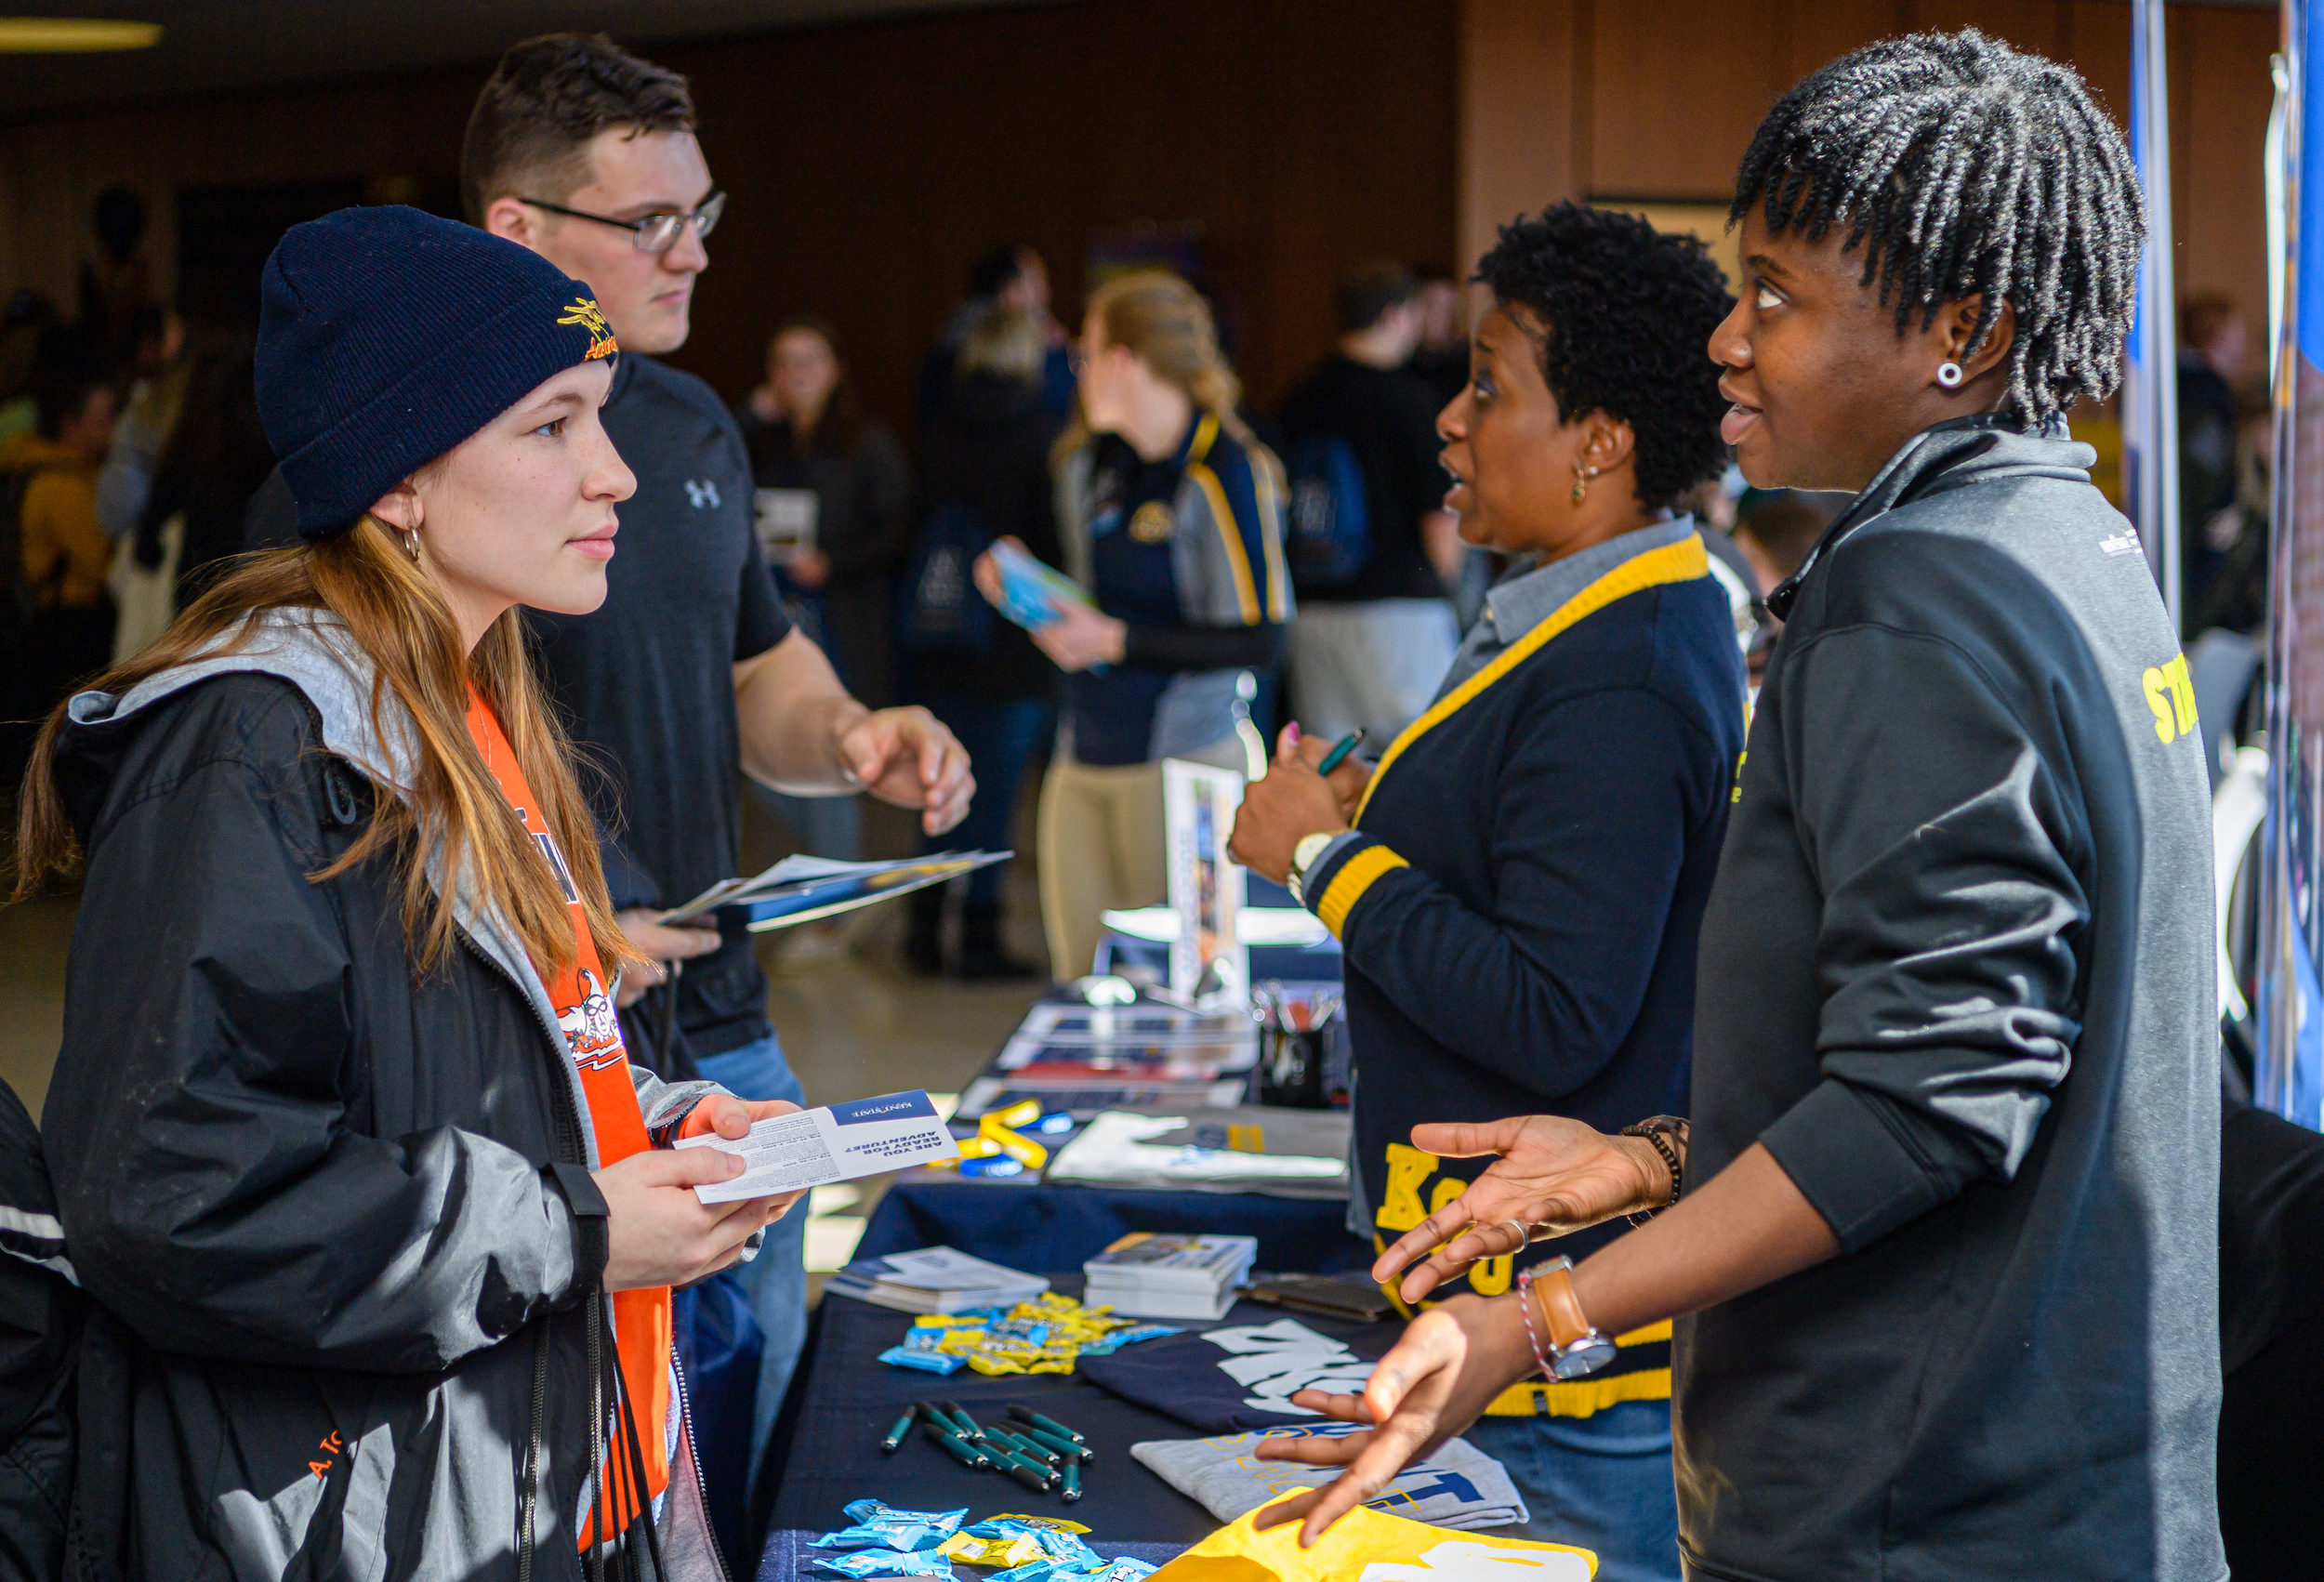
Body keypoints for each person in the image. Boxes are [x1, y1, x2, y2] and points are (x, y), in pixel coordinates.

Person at [1255, 33, 2222, 1582]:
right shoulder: (2068, 539)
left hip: (1915, 1493)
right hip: (2054, 1460)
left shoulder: (1919, 593)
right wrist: (1651, 1154)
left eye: (1775, 293)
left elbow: (1933, 1099)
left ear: (1962, 331)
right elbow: (1973, 1036)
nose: (1726, 339)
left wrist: (1544, 1313)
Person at [13, 204, 804, 1577]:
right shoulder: (249, 748)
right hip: (356, 1508)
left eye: (601, 417)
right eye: (551, 426)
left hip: (540, 1463)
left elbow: (432, 1077)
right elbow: (172, 1192)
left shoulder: (465, 705)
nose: (614, 473)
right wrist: (577, 1227)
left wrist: (648, 1125)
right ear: (400, 482)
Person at [231, 32, 974, 1484]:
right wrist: (550, 921)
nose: (691, 252)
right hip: (535, 1051)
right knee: (594, 1448)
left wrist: (846, 734)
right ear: (517, 231)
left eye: (705, 214)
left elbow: (756, 660)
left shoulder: (694, 424)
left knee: (741, 1418)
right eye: (650, 222)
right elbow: (342, 779)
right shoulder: (380, 483)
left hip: (722, 1027)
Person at [1230, 204, 1743, 1582]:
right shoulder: (1582, 610)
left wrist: (1318, 858)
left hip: (1560, 1369)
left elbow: (1555, 1009)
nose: (1448, 422)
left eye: (1488, 384)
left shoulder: (1623, 664)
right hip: (1521, 1322)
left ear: (1602, 441)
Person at [975, 270, 1292, 982]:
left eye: (1083, 352)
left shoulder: (1226, 470)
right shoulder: (1089, 464)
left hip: (1191, 760)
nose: (1076, 370)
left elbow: (1263, 637)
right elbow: (1096, 602)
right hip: (1084, 751)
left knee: (1189, 988)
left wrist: (1116, 640)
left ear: (1120, 360)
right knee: (1081, 984)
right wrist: (1030, 591)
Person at [900, 303, 1063, 979]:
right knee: (993, 797)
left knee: (934, 788)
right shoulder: (1043, 439)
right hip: (1009, 653)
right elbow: (1052, 554)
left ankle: (922, 928)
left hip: (934, 642)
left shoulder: (933, 433)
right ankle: (979, 938)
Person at [1276, 259, 1464, 745]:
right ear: (1396, 314)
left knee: (1333, 767)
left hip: (1314, 613)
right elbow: (1438, 516)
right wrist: (1445, 582)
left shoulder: (1299, 398)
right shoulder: (1411, 401)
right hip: (1401, 610)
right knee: (1423, 761)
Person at [737, 317, 912, 714]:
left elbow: (898, 533)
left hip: (846, 623)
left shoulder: (867, 443)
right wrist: (750, 412)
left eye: (808, 361)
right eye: (784, 363)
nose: (795, 374)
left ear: (834, 369)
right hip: (778, 616)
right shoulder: (762, 442)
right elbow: (704, 469)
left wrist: (832, 563)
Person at [3, 354, 119, 781]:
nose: (113, 427)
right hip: (64, 632)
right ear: (71, 425)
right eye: (103, 418)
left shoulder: (28, 462)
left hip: (35, 627)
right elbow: (101, 566)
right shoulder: (64, 486)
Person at [920, 243, 1075, 423]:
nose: (1046, 293)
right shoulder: (1027, 351)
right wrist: (1059, 354)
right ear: (1011, 291)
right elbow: (1062, 409)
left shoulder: (948, 340)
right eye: (1037, 283)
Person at [2177, 291, 2247, 631]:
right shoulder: (2208, 391)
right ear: (2217, 333)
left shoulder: (2178, 381)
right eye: (2238, 332)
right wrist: (2222, 510)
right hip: (2201, 535)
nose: (2243, 342)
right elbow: (2207, 463)